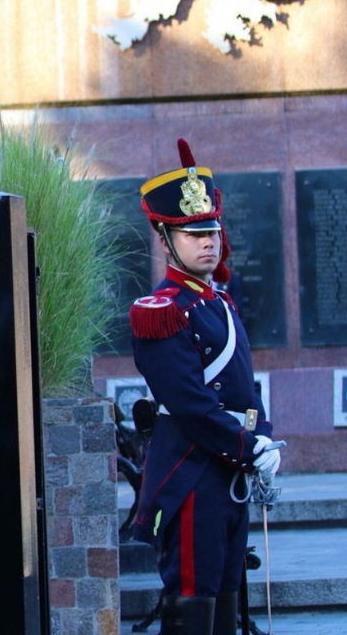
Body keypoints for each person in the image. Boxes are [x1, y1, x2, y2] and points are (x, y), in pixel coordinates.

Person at [130, 138, 281, 635]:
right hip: (193, 473)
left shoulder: (218, 301)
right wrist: (247, 446)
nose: (208, 241)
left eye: (211, 230)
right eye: (192, 233)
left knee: (226, 603)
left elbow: (243, 386)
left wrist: (264, 436)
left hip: (229, 470)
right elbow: (192, 406)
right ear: (166, 239)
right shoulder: (164, 311)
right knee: (193, 602)